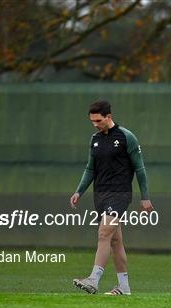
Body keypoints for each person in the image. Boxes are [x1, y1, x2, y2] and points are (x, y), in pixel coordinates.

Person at [70, 100, 153, 296]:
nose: (95, 124)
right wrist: (78, 191)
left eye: (98, 120)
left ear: (108, 117)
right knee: (115, 242)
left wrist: (145, 197)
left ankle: (93, 279)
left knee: (103, 234)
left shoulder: (126, 137)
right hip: (100, 195)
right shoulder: (95, 140)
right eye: (92, 121)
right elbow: (90, 169)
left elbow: (140, 169)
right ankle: (124, 287)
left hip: (120, 194)